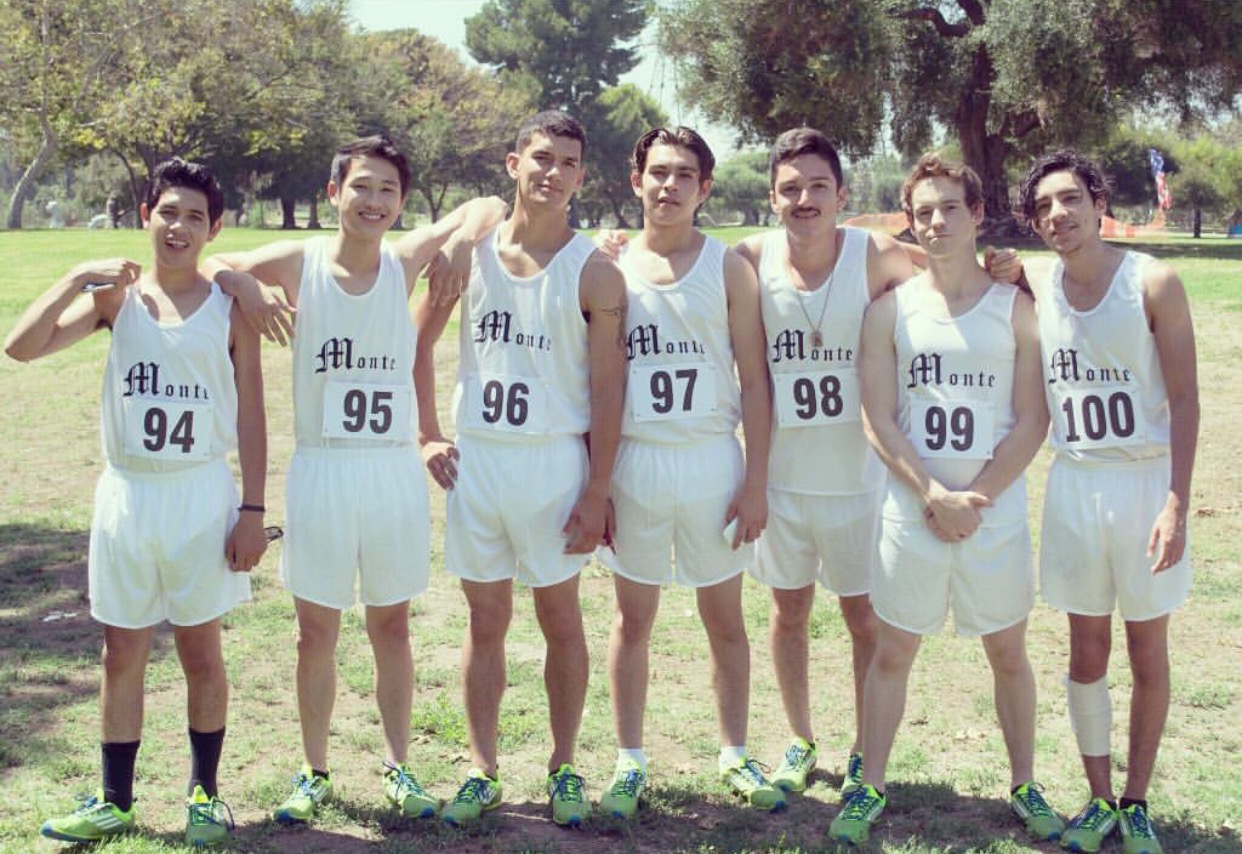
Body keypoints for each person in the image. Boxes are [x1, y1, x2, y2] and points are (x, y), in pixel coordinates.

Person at [208, 136, 507, 824]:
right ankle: (314, 770)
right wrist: (246, 283)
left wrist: (461, 243)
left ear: (400, 202)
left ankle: (399, 765)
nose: (373, 201)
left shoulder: (403, 261)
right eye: (361, 187)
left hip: (390, 470)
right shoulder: (302, 262)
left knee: (391, 627)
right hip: (322, 468)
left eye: (387, 191)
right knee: (314, 632)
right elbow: (213, 263)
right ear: (333, 193)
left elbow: (489, 203)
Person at [7, 158, 267, 847]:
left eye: (194, 217)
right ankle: (115, 801)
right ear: (146, 215)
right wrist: (76, 277)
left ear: (214, 228)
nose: (178, 227)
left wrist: (253, 510)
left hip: (200, 493)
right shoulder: (115, 302)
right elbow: (20, 347)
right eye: (167, 212)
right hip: (128, 494)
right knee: (120, 652)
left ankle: (205, 794)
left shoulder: (229, 308)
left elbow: (252, 415)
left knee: (201, 653)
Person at [830, 153, 1061, 845]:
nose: (936, 222)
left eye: (950, 208)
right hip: (913, 509)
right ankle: (870, 785)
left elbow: (1033, 419)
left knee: (1009, 653)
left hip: (993, 512)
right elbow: (878, 417)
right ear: (910, 221)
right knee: (892, 651)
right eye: (923, 212)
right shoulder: (890, 312)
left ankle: (1025, 783)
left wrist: (975, 497)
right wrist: (932, 492)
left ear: (978, 214)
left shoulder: (1015, 307)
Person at [415, 110, 627, 827]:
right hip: (478, 463)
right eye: (541, 157)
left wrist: (597, 489)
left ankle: (564, 766)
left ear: (581, 177)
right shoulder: (470, 256)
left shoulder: (594, 270)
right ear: (514, 164)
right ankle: (482, 769)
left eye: (567, 162)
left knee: (560, 618)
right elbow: (417, 345)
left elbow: (609, 392)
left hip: (552, 463)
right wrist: (427, 435)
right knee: (485, 621)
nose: (552, 173)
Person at [591, 126, 779, 818]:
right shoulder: (608, 266)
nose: (669, 185)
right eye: (658, 172)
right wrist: (598, 483)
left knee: (723, 617)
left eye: (684, 175)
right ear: (636, 179)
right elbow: (594, 382)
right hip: (636, 459)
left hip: (709, 459)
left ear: (704, 188)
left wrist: (755, 482)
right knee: (631, 618)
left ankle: (734, 751)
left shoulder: (727, 269)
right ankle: (629, 760)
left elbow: (755, 381)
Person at [1018, 150, 1198, 854]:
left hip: (1144, 482)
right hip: (1075, 482)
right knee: (1085, 647)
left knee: (1147, 649)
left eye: (1069, 199)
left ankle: (1137, 799)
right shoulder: (1036, 282)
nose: (1057, 214)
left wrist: (1177, 502)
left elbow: (1185, 399)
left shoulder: (1152, 281)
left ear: (1099, 203)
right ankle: (1097, 799)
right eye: (1043, 207)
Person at [732, 127, 914, 798]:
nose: (803, 199)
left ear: (842, 193)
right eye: (790, 188)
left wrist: (1013, 271)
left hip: (859, 480)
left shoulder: (878, 254)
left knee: (864, 618)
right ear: (772, 197)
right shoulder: (749, 258)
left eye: (817, 186)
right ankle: (800, 736)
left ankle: (866, 747)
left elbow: (958, 278)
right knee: (788, 612)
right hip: (783, 479)